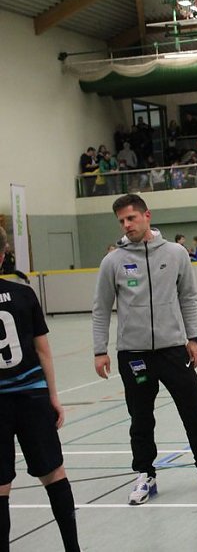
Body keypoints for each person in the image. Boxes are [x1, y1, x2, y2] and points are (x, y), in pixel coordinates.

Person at [92, 195, 197, 505]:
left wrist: (193, 338)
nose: (126, 225)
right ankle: (145, 473)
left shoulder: (176, 253)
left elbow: (188, 297)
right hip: (133, 354)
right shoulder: (113, 261)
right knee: (140, 417)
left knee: (193, 409)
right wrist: (99, 349)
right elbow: (101, 308)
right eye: (121, 221)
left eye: (131, 218)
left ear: (147, 216)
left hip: (173, 350)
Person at [0, 227, 80, 551]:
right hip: (32, 396)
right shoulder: (24, 295)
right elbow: (43, 350)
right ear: (4, 255)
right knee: (54, 474)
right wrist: (53, 397)